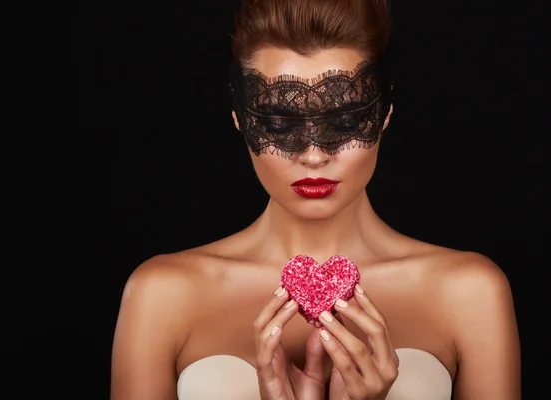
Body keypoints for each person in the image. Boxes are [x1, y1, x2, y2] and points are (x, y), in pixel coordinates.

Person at [110, 0, 521, 399]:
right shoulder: (161, 294)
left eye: (344, 121)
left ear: (385, 114)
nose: (313, 154)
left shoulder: (469, 292)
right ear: (240, 119)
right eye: (279, 122)